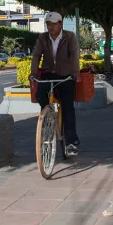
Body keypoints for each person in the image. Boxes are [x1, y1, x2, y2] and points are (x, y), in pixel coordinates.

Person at [30, 11, 81, 156]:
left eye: (53, 24)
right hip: (48, 74)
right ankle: (49, 117)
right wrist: (34, 73)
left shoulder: (69, 37)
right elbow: (36, 55)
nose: (50, 28)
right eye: (48, 25)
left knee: (67, 106)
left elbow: (75, 54)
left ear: (60, 24)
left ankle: (71, 142)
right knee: (40, 94)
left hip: (65, 75)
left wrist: (75, 71)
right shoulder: (42, 38)